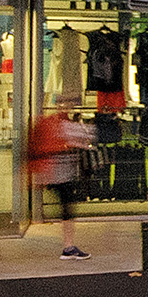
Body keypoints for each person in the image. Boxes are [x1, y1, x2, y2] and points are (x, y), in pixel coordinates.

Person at [26, 108, 95, 258]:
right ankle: (68, 247)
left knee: (67, 207)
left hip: (56, 172)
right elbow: (85, 135)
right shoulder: (57, 123)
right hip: (58, 173)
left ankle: (68, 246)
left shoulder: (52, 122)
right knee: (67, 208)